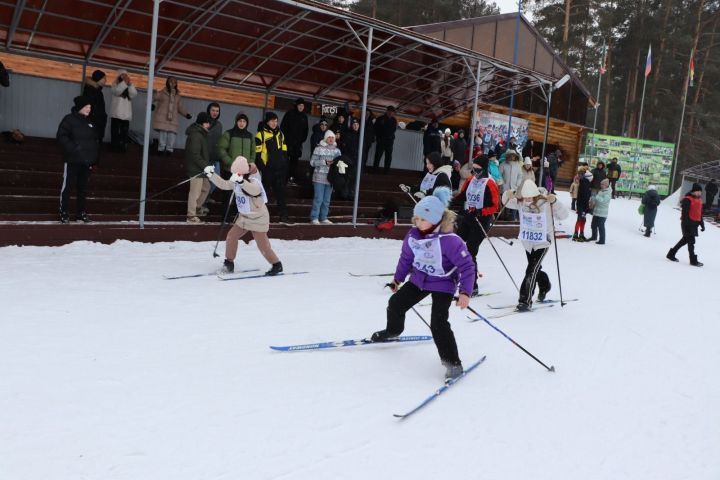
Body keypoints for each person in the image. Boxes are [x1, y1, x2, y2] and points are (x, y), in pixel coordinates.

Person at [370, 187, 475, 382]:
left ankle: (453, 363)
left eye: (422, 219)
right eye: (415, 218)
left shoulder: (451, 241)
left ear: (436, 219)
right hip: (419, 279)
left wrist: (465, 292)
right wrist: (397, 279)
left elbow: (467, 267)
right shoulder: (413, 236)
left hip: (443, 283)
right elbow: (406, 258)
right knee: (395, 304)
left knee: (438, 323)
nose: (417, 223)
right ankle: (393, 331)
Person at [203, 157, 283, 276]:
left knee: (263, 245)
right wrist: (211, 175)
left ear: (242, 173)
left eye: (236, 172)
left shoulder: (254, 179)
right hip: (244, 217)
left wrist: (241, 182)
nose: (234, 175)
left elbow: (255, 190)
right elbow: (224, 184)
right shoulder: (236, 179)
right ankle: (229, 263)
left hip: (258, 218)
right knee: (231, 236)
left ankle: (276, 264)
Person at [502, 179, 569, 311]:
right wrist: (507, 194)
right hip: (528, 242)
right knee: (535, 268)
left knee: (531, 270)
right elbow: (506, 203)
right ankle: (545, 285)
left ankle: (525, 300)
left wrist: (555, 201)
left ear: (535, 194)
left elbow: (564, 215)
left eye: (529, 197)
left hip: (543, 241)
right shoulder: (521, 203)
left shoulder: (545, 202)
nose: (526, 199)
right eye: (524, 197)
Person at [452, 155, 500, 295]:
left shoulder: (490, 183)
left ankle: (472, 285)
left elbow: (495, 206)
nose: (475, 172)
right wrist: (450, 199)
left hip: (482, 220)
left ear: (484, 169)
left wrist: (480, 212)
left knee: (470, 250)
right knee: (456, 245)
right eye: (474, 169)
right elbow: (462, 196)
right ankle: (452, 275)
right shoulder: (470, 180)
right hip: (469, 217)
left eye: (478, 170)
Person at [56, 95, 99, 223]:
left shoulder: (90, 123)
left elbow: (94, 143)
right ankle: (64, 212)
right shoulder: (69, 120)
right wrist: (74, 149)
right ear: (80, 107)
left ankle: (81, 213)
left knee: (83, 188)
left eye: (90, 107)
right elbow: (62, 136)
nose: (89, 109)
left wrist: (94, 159)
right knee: (68, 187)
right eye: (86, 107)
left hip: (86, 162)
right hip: (72, 160)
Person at [218, 112, 254, 216]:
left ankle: (238, 217)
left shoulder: (250, 136)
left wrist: (249, 164)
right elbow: (221, 149)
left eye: (244, 121)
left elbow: (253, 152)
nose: (242, 123)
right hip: (230, 170)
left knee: (241, 195)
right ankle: (225, 216)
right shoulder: (229, 134)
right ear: (236, 122)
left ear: (247, 123)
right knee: (228, 194)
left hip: (244, 172)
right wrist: (230, 162)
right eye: (240, 121)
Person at [255, 111, 289, 223]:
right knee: (263, 194)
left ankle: (283, 217)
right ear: (267, 122)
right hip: (267, 170)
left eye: (276, 121)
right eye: (271, 121)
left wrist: (284, 166)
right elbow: (258, 155)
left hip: (279, 170)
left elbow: (284, 152)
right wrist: (263, 168)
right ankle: (258, 216)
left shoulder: (281, 134)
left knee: (281, 194)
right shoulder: (261, 135)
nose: (274, 123)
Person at [667, 183, 705, 267]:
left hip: (694, 224)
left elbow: (699, 214)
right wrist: (687, 224)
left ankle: (671, 254)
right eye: (698, 191)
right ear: (693, 192)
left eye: (700, 192)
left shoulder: (699, 200)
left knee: (684, 240)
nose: (699, 193)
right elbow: (684, 214)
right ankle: (693, 260)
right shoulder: (687, 199)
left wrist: (702, 224)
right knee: (691, 242)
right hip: (687, 224)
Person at [152, 76, 192, 155]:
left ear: (176, 84)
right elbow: (155, 98)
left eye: (174, 82)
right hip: (162, 116)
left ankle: (169, 150)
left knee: (172, 134)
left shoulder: (178, 95)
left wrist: (186, 114)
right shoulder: (162, 92)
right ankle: (161, 149)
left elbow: (180, 107)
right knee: (163, 133)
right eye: (171, 81)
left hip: (173, 118)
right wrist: (154, 93)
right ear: (167, 82)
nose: (172, 83)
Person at [184, 112, 212, 223]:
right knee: (195, 192)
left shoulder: (201, 134)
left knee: (206, 188)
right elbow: (194, 154)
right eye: (206, 123)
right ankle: (191, 216)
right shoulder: (196, 134)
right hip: (196, 168)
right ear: (201, 123)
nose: (208, 125)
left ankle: (196, 209)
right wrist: (205, 166)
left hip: (201, 167)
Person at [309, 129, 341, 224]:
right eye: (329, 137)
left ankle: (323, 217)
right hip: (319, 177)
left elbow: (340, 163)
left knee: (327, 199)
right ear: (325, 138)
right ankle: (314, 217)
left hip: (331, 178)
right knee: (318, 198)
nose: (331, 139)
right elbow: (312, 162)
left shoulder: (337, 151)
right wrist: (324, 162)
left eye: (332, 137)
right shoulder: (318, 148)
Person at [280, 98, 309, 186]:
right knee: (285, 161)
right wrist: (286, 140)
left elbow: (306, 130)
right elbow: (283, 127)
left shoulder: (304, 117)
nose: (301, 107)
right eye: (299, 105)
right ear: (296, 105)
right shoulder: (290, 114)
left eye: (302, 106)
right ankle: (282, 179)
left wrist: (302, 140)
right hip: (288, 143)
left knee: (294, 162)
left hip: (297, 145)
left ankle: (291, 178)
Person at [109, 69, 137, 153]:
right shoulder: (115, 84)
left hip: (126, 114)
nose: (125, 77)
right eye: (123, 75)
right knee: (115, 131)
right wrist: (124, 83)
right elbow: (117, 91)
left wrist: (130, 84)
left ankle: (122, 146)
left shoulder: (129, 85)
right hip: (116, 113)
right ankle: (114, 146)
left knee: (124, 132)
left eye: (126, 75)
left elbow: (134, 94)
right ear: (119, 76)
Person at [82, 70, 107, 145]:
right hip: (94, 123)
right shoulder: (92, 90)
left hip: (97, 123)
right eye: (104, 78)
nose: (105, 80)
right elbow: (90, 108)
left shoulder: (97, 91)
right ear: (99, 79)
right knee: (92, 146)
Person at [372, 105, 397, 174]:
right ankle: (375, 170)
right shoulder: (380, 119)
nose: (391, 113)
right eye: (390, 111)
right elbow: (375, 129)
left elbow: (393, 130)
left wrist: (389, 136)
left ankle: (386, 171)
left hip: (389, 141)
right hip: (381, 140)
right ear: (387, 111)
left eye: (392, 112)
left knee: (388, 156)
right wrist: (379, 137)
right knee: (378, 155)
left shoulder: (394, 120)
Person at [572, 168, 593, 241]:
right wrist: (586, 206)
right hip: (582, 205)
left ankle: (581, 233)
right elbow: (584, 196)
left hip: (583, 205)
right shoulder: (584, 183)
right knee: (580, 219)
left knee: (583, 219)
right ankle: (576, 234)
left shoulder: (586, 183)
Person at [589, 178, 612, 244]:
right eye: (600, 184)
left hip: (602, 213)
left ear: (606, 185)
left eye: (602, 184)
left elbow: (603, 201)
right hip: (596, 211)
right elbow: (597, 200)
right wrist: (592, 201)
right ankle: (594, 236)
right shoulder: (601, 191)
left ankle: (602, 240)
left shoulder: (608, 192)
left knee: (601, 226)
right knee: (593, 225)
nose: (601, 185)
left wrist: (596, 197)